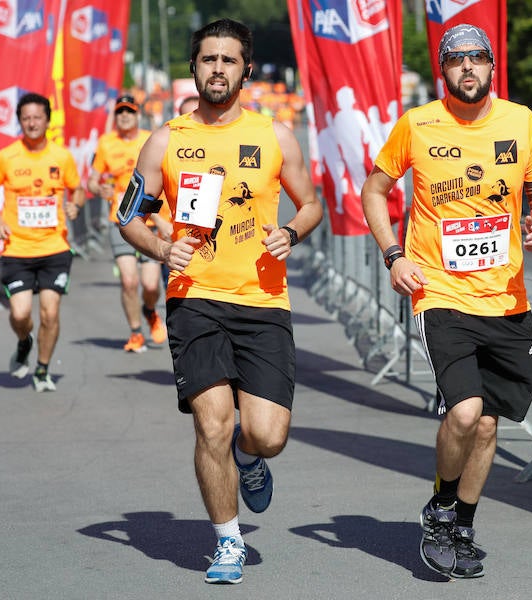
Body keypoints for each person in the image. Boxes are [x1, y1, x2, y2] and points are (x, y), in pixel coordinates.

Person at [119, 18, 322, 585]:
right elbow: (127, 215)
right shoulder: (166, 140)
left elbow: (311, 204)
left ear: (246, 70)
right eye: (208, 59)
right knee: (211, 425)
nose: (217, 69)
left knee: (267, 434)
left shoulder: (275, 135)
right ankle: (227, 543)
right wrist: (161, 247)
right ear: (194, 68)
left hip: (262, 299)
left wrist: (293, 233)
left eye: (228, 60)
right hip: (196, 300)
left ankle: (250, 457)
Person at [361, 24, 532, 579]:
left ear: (493, 66)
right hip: (441, 294)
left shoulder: (520, 121)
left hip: (507, 297)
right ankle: (441, 508)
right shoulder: (417, 124)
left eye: (477, 59)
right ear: (442, 70)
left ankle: (463, 526)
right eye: (455, 60)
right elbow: (374, 190)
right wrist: (393, 254)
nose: (467, 68)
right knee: (465, 411)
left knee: (489, 426)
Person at [0, 92, 86, 392]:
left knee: (50, 312)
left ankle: (41, 369)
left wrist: (75, 205)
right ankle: (24, 340)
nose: (31, 123)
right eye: (25, 118)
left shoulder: (61, 156)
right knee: (20, 314)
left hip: (54, 247)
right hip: (17, 249)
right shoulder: (7, 157)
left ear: (47, 120)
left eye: (37, 117)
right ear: (19, 122)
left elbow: (76, 189)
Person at [87, 95, 169, 353]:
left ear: (137, 116)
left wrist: (159, 218)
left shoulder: (151, 139)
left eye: (129, 112)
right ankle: (135, 333)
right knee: (129, 281)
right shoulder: (106, 143)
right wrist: (100, 189)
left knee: (151, 284)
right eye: (120, 112)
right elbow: (92, 180)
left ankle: (149, 310)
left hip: (149, 220)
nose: (124, 116)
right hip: (119, 220)